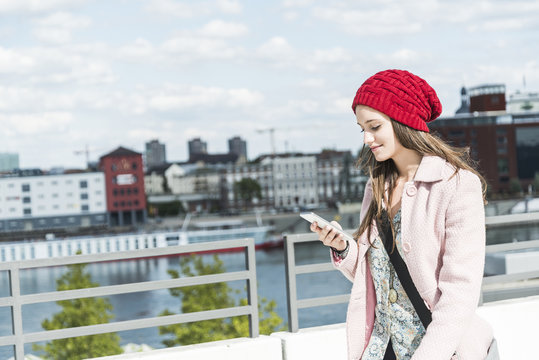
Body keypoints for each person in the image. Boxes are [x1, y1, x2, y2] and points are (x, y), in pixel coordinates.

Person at [310, 69, 496, 360]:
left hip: (439, 350)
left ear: (403, 120)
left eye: (374, 126)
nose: (366, 138)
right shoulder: (376, 187)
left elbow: (460, 294)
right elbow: (379, 276)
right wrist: (344, 247)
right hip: (380, 348)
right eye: (362, 128)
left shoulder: (456, 185)